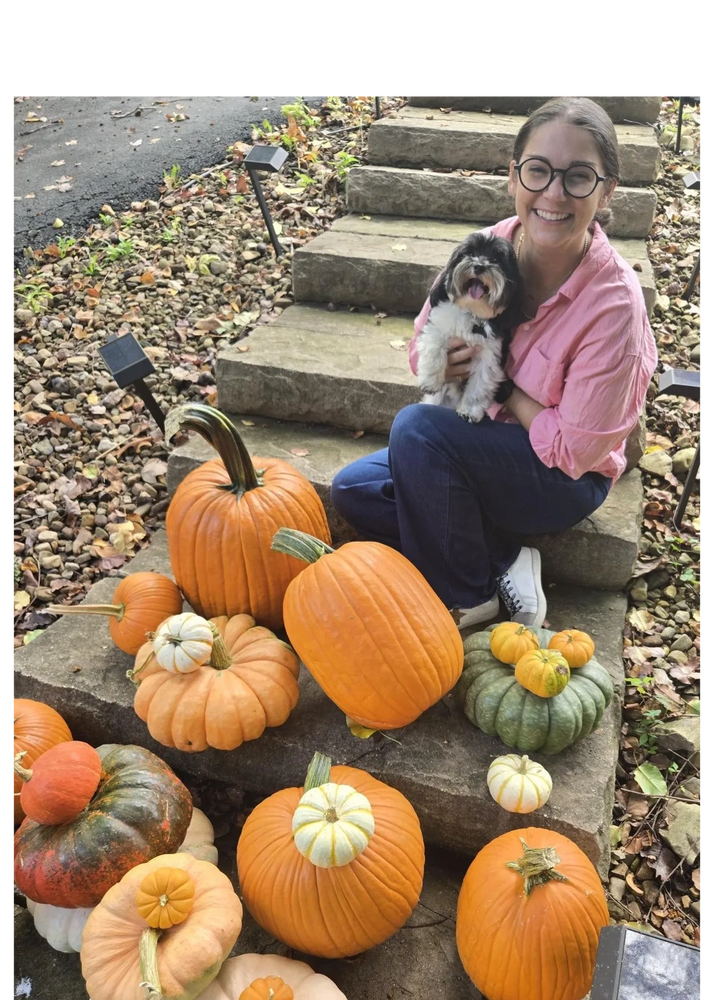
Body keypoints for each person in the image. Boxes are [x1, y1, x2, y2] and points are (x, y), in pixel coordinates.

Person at [331, 97, 658, 629]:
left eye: (578, 177)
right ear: (513, 177)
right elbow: (422, 342)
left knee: (416, 431)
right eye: (538, 171)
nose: (553, 193)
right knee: (355, 489)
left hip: (557, 479)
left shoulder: (614, 307)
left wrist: (503, 390)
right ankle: (505, 556)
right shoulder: (487, 248)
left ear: (606, 192)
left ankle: (469, 594)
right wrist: (449, 363)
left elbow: (573, 451)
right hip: (475, 440)